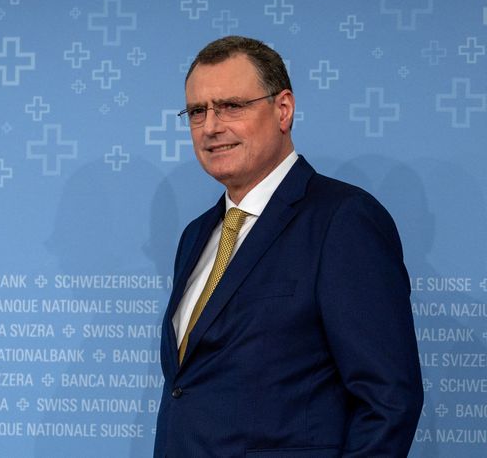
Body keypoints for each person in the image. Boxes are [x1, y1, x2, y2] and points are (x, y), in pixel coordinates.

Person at [154, 36, 423, 457]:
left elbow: (388, 400)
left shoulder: (342, 221)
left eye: (231, 106)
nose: (210, 126)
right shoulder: (196, 235)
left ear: (283, 109)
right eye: (196, 111)